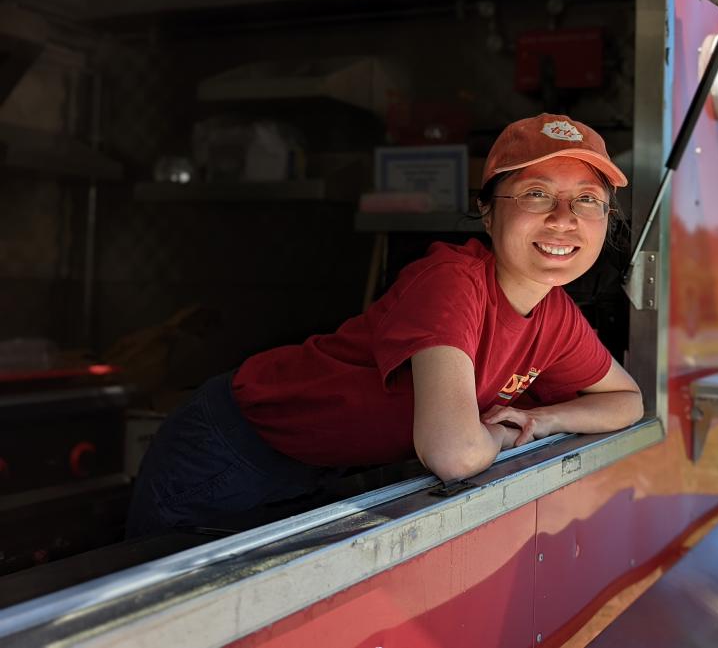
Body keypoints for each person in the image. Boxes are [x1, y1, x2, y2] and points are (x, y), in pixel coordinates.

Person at [126, 113, 643, 537]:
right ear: (487, 214)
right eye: (535, 193)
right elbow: (455, 454)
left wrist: (547, 420)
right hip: (231, 449)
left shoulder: (555, 315)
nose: (563, 217)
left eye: (587, 199)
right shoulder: (452, 281)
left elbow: (627, 401)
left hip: (322, 470)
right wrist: (499, 438)